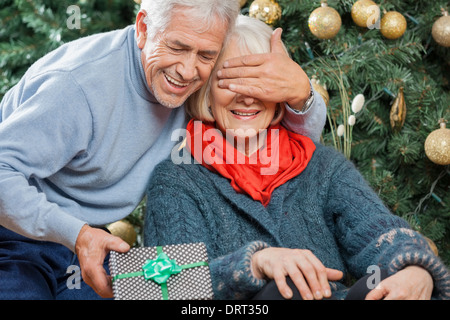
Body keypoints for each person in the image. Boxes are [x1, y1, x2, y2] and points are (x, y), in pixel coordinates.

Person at [0, 0, 326, 299]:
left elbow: (283, 149)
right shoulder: (77, 86)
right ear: (143, 28)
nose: (186, 71)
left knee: (167, 287)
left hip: (88, 244)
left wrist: (301, 96)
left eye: (205, 55)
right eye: (177, 47)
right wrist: (77, 234)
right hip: (14, 234)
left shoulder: (196, 91)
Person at [144, 15, 450, 300]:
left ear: (282, 91)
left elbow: (381, 233)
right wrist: (254, 264)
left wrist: (415, 270)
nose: (248, 96)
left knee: (388, 278)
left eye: (262, 82)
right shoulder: (176, 179)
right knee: (282, 288)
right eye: (231, 80)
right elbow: (168, 286)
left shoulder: (323, 166)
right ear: (206, 91)